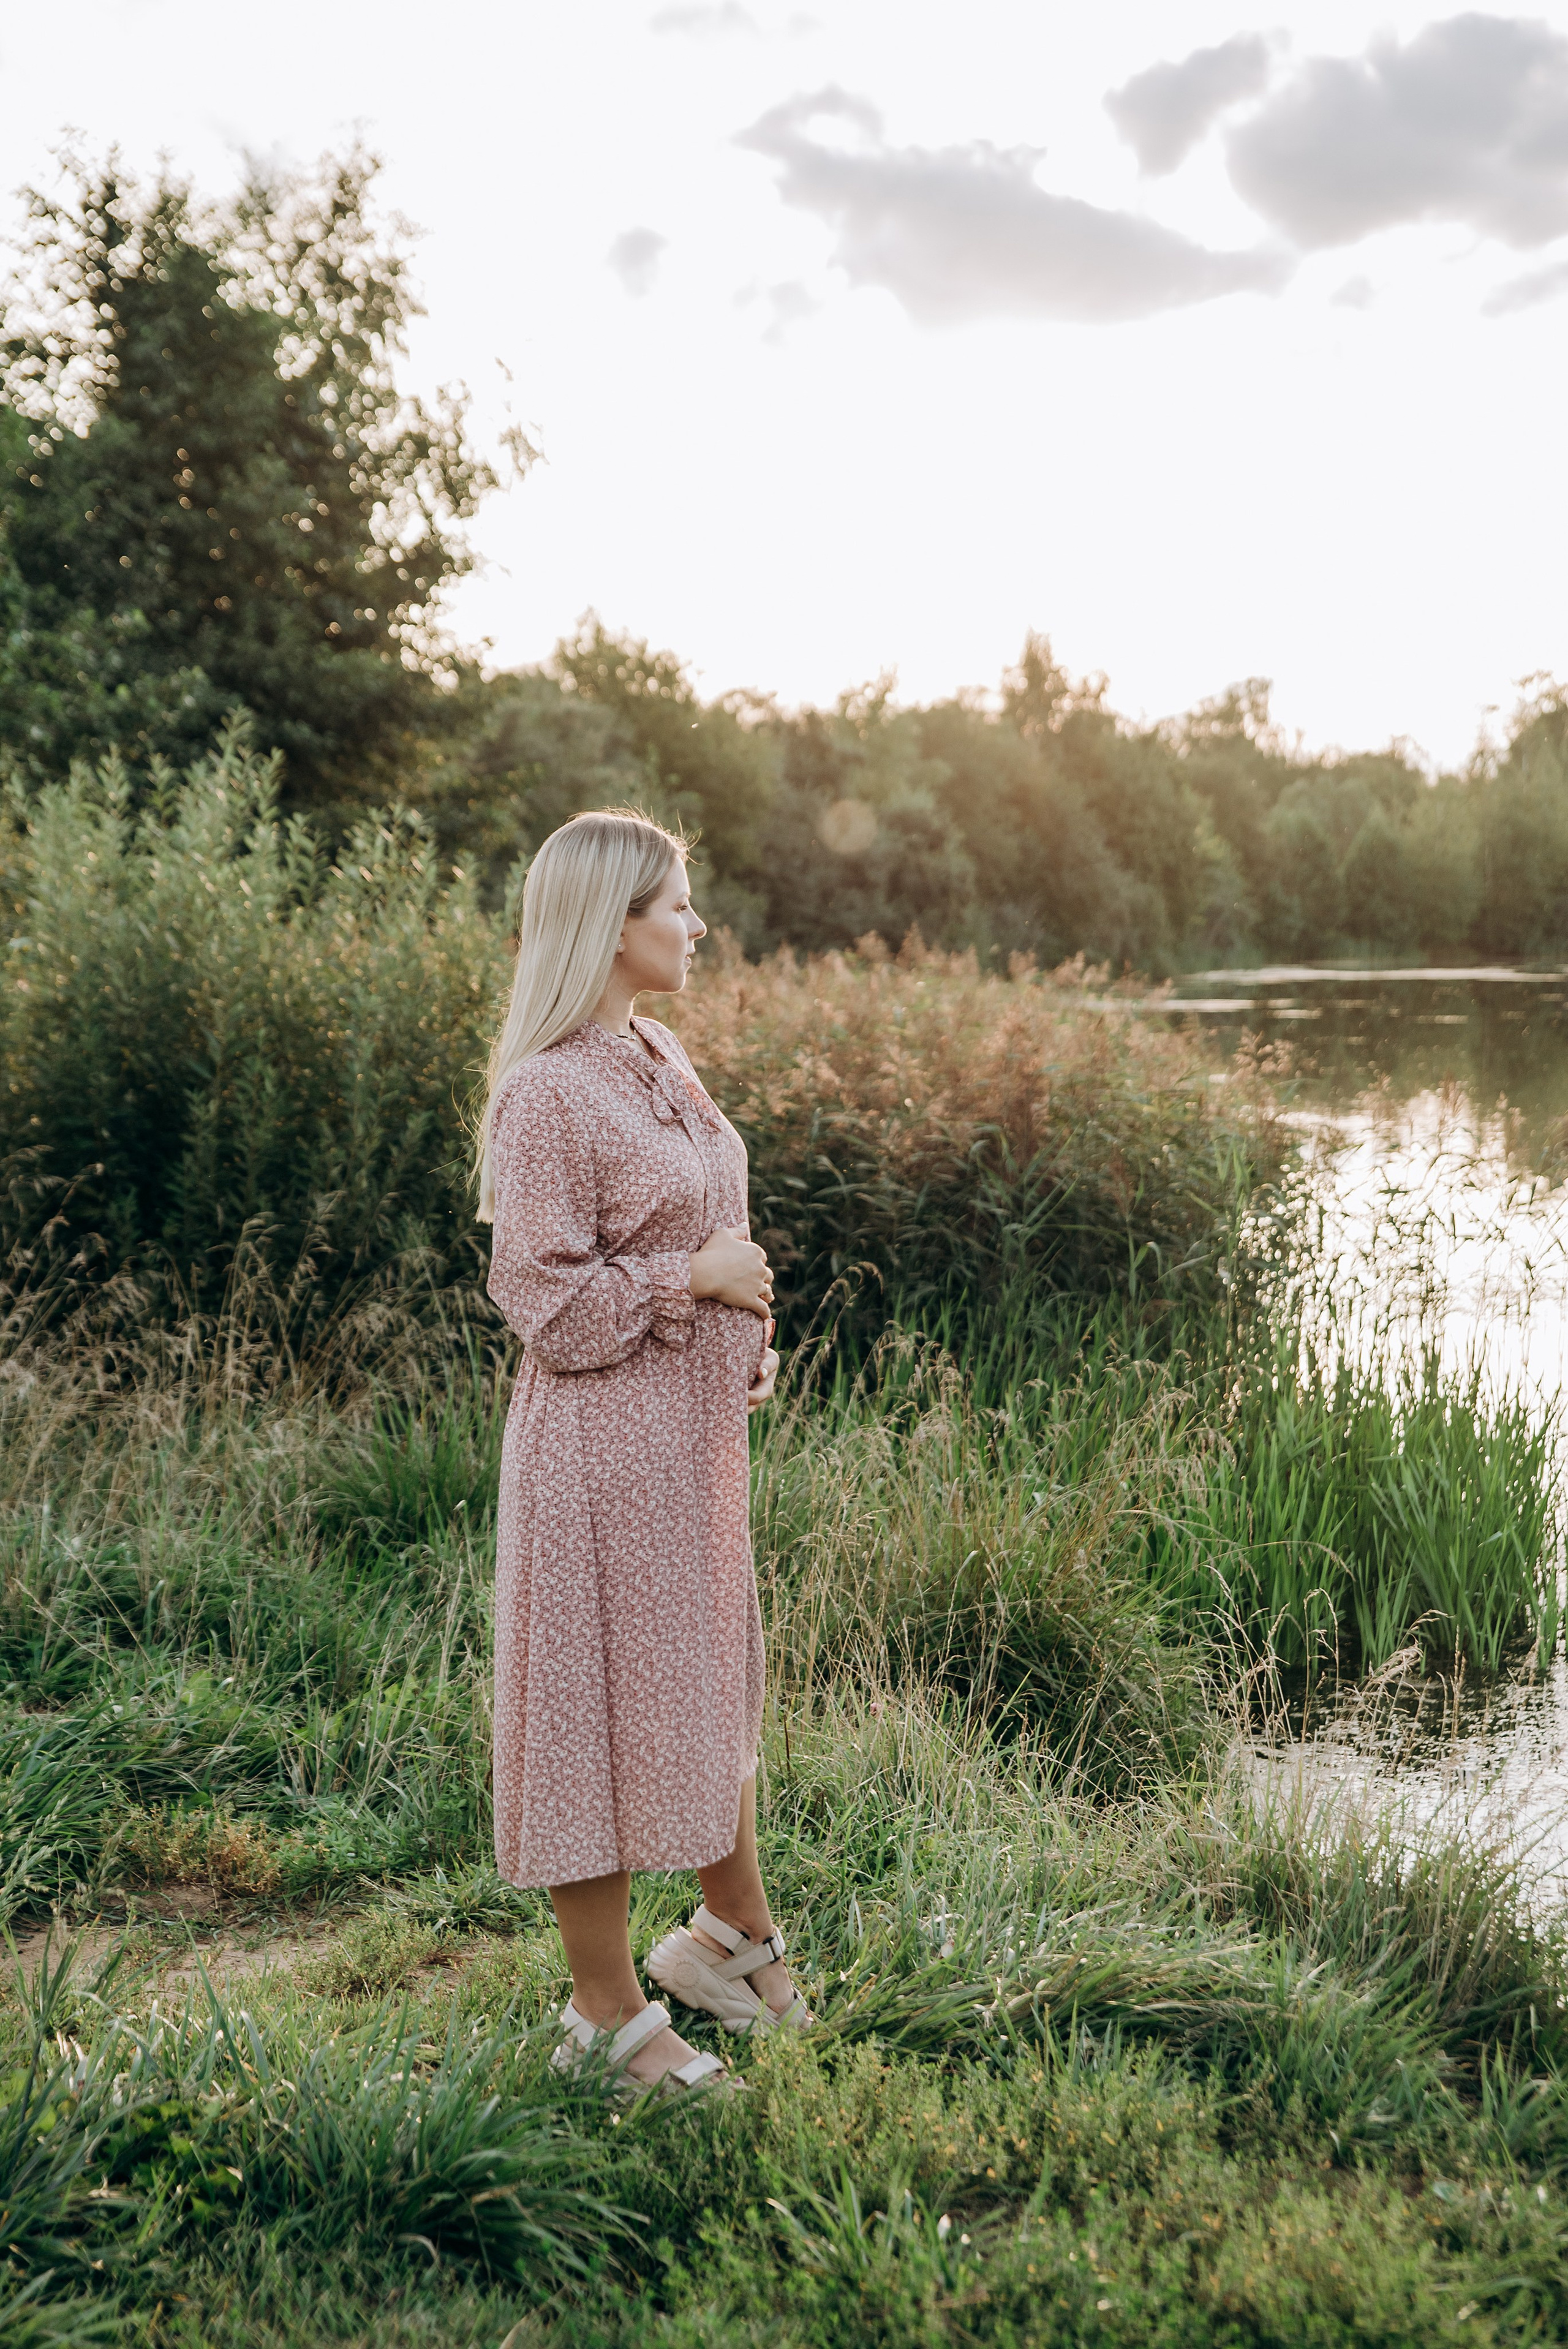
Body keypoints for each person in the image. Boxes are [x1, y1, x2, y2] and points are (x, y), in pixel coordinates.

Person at [475, 808, 811, 2096]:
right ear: (611, 925)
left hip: (689, 1448)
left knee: (704, 1685)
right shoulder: (546, 1092)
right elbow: (546, 1304)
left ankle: (725, 1939)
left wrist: (745, 1339)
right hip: (598, 1462)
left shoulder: (655, 1052)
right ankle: (604, 2019)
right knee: (597, 1717)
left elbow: (711, 1232)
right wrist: (695, 1284)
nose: (696, 924)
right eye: (675, 903)